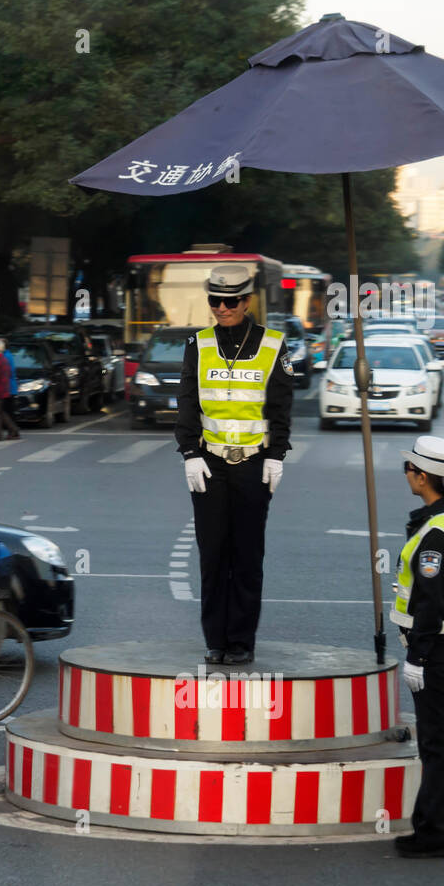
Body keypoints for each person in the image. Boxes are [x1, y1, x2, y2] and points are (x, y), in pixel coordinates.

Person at [174, 263, 294, 665]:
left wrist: (277, 456)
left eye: (229, 301)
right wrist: (189, 452)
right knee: (212, 555)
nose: (221, 308)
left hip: (253, 465)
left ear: (246, 301)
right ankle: (215, 640)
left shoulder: (274, 344)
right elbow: (188, 402)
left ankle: (241, 641)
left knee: (246, 555)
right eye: (214, 301)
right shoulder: (198, 344)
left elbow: (280, 408)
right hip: (209, 463)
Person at [391, 436, 444, 859]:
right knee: (437, 742)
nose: (405, 473)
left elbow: (433, 604)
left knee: (439, 744)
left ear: (424, 477)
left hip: (438, 648)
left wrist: (417, 658)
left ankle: (440, 835)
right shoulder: (443, 516)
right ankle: (430, 827)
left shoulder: (437, 533)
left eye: (409, 469)